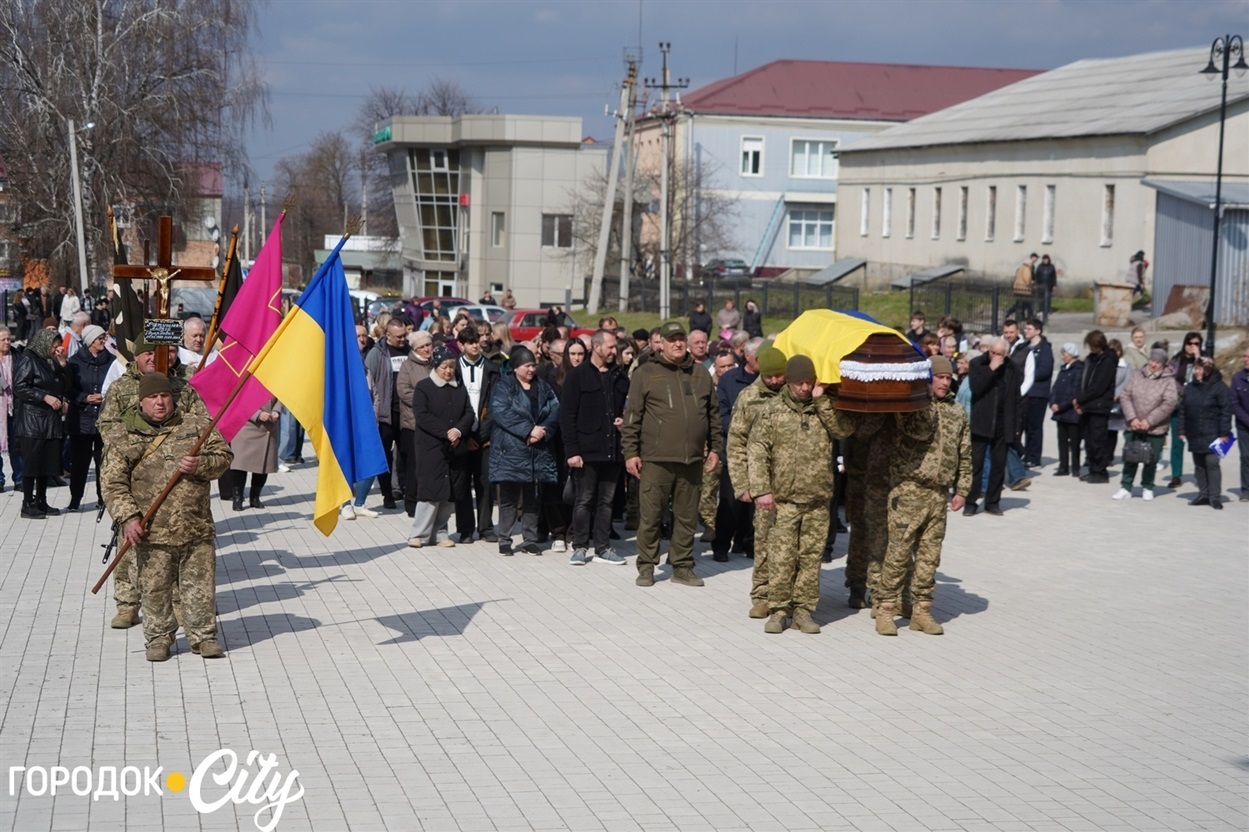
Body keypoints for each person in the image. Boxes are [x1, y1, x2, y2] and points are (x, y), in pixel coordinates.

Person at [99, 373, 233, 661]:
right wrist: (129, 518)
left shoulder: (195, 425)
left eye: (164, 396)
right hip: (151, 531)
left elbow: (223, 456)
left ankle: (203, 637)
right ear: (141, 401)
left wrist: (201, 464)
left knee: (200, 587)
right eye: (152, 397)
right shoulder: (124, 435)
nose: (160, 402)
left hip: (195, 526)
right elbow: (112, 482)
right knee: (155, 589)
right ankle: (158, 638)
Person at [96, 335, 211, 629]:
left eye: (168, 352)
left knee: (173, 549)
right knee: (130, 542)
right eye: (151, 354)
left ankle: (178, 605)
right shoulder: (123, 387)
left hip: (175, 480)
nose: (160, 358)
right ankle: (127, 603)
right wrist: (133, 445)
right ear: (138, 356)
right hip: (136, 475)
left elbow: (200, 423)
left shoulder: (182, 387)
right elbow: (107, 426)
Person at [747, 355, 858, 635]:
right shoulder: (772, 410)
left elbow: (844, 430)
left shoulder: (824, 408)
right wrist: (762, 489)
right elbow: (758, 451)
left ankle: (804, 610)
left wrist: (822, 402)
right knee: (782, 557)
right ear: (789, 381)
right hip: (783, 500)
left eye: (809, 382)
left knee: (811, 558)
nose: (805, 388)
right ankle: (778, 610)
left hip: (818, 499)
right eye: (799, 383)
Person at [875, 356, 971, 636]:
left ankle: (922, 610)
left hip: (938, 494)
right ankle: (886, 609)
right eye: (939, 377)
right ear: (927, 379)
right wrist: (920, 398)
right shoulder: (912, 408)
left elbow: (964, 452)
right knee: (898, 553)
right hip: (909, 490)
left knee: (930, 556)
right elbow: (913, 430)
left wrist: (962, 488)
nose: (945, 381)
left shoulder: (956, 411)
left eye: (948, 377)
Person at [622, 321, 721, 587]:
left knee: (687, 517)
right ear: (661, 343)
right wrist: (630, 452)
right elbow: (632, 417)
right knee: (651, 516)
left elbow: (713, 415)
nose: (677, 343)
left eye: (681, 339)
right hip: (656, 459)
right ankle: (646, 566)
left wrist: (715, 449)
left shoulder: (700, 374)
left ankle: (682, 566)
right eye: (671, 339)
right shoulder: (646, 373)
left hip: (692, 459)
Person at [561, 329, 630, 566]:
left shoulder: (620, 376)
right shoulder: (577, 376)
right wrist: (572, 451)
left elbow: (629, 408)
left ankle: (603, 547)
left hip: (613, 450)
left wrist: (625, 420)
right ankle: (580, 546)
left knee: (607, 501)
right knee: (584, 500)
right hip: (586, 451)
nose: (614, 351)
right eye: (610, 347)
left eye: (615, 347)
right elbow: (567, 416)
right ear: (597, 347)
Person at [725, 346, 785, 613]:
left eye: (779, 376)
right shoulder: (748, 397)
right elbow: (736, 442)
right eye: (770, 376)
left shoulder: (792, 393)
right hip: (762, 483)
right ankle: (761, 596)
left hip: (792, 483)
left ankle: (785, 595)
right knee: (763, 541)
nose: (774, 382)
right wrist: (742, 483)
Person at [489, 345, 560, 555]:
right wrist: (528, 430)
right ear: (516, 367)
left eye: (533, 365)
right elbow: (501, 413)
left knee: (532, 497)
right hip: (511, 450)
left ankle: (530, 538)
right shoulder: (504, 386)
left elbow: (555, 409)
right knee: (509, 498)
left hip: (537, 451)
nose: (531, 370)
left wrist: (543, 431)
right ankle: (505, 538)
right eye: (527, 366)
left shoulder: (543, 387)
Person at [408, 346, 474, 547]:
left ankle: (440, 532)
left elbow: (468, 413)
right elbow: (422, 416)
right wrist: (447, 432)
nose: (448, 371)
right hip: (431, 447)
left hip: (455, 448)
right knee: (430, 491)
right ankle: (419, 534)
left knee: (450, 493)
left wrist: (459, 431)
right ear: (436, 366)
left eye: (451, 367)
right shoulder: (424, 387)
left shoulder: (459, 388)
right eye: (444, 367)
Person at [12, 328, 69, 518]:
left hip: (50, 421)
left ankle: (42, 501)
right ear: (44, 343)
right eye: (54, 346)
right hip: (33, 421)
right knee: (32, 463)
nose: (56, 350)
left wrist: (61, 364)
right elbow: (19, 387)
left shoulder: (49, 361)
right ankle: (28, 503)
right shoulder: (29, 358)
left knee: (47, 463)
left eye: (58, 346)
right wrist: (43, 396)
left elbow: (63, 384)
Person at [454, 326, 501, 543]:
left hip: (485, 436)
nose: (475, 345)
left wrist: (481, 434)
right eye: (470, 342)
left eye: (477, 340)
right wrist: (465, 435)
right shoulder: (453, 368)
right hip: (461, 436)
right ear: (460, 345)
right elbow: (449, 404)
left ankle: (486, 527)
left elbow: (495, 403)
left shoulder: (492, 369)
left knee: (485, 482)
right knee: (462, 483)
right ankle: (465, 528)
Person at [965, 338, 1021, 516]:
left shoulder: (1012, 368)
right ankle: (971, 502)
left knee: (998, 465)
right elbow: (977, 388)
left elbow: (1017, 399)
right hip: (982, 421)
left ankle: (992, 502)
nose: (995, 357)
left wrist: (1016, 426)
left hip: (1003, 422)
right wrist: (991, 369)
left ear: (1006, 355)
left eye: (999, 354)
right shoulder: (977, 364)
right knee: (976, 465)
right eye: (992, 353)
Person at [1113, 348, 1178, 501]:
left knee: (1151, 459)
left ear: (1163, 364)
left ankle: (1147, 486)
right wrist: (1132, 418)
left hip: (1155, 427)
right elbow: (1125, 396)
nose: (1153, 364)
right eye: (1152, 360)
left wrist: (1149, 421)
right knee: (1130, 456)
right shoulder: (1137, 375)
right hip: (1134, 425)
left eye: (1158, 362)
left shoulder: (1168, 381)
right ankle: (1125, 486)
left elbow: (1169, 403)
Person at [65, 324, 114, 511]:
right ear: (89, 341)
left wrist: (106, 396)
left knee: (103, 462)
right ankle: (75, 498)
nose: (103, 341)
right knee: (79, 463)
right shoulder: (75, 362)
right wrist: (83, 398)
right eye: (99, 338)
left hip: (103, 419)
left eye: (104, 337)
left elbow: (115, 383)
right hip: (81, 421)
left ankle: (103, 498)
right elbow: (68, 388)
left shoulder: (110, 360)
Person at [364, 318, 410, 509]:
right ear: (388, 335)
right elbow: (367, 384)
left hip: (406, 414)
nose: (403, 339)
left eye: (404, 335)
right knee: (384, 456)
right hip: (384, 414)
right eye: (399, 337)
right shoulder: (376, 354)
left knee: (408, 455)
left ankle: (407, 491)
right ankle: (387, 494)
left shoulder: (410, 351)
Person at [1178, 356, 1231, 510]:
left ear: (1208, 370)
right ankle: (1203, 494)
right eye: (1196, 368)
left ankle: (1214, 496)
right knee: (1199, 464)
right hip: (1195, 432)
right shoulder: (1190, 387)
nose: (1197, 372)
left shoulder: (1220, 387)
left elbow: (1225, 411)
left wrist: (1224, 433)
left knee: (1212, 463)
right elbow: (1183, 410)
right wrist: (1181, 429)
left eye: (1200, 368)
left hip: (1213, 433)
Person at [394, 330, 434, 516]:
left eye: (428, 345)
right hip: (413, 424)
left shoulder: (436, 363)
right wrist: (426, 400)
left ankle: (430, 502)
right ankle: (411, 503)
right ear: (415, 348)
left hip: (434, 424)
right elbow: (403, 391)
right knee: (414, 466)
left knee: (430, 466)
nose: (427, 349)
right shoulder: (407, 366)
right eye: (422, 346)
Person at [1073, 330, 1118, 484]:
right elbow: (1085, 380)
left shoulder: (1108, 360)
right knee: (1089, 441)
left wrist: (1080, 400)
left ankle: (1100, 471)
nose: (1091, 350)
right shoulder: (1091, 359)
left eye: (1094, 347)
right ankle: (1093, 469)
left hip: (1099, 406)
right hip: (1088, 406)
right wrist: (1080, 400)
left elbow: (1099, 386)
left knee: (1098, 440)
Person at [226, 398, 282, 511]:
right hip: (247, 426)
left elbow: (281, 396)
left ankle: (255, 497)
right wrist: (257, 414)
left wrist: (277, 410)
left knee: (263, 465)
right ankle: (238, 498)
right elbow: (238, 400)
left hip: (268, 427)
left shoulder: (275, 380)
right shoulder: (245, 380)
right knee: (239, 465)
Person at [1165, 332, 1202, 489]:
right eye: (1190, 343)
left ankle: (1201, 473)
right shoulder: (1176, 360)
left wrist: (1198, 358)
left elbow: (1210, 377)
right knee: (1177, 441)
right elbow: (1168, 378)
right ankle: (1176, 475)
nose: (1192, 346)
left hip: (1198, 405)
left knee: (1199, 441)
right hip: (1179, 405)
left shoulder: (1204, 360)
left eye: (1196, 344)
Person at [1019, 318, 1054, 467]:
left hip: (1038, 394)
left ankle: (1034, 457)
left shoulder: (1045, 349)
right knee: (1024, 426)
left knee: (1035, 426)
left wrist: (1027, 374)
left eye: (1029, 329)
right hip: (1024, 393)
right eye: (1025, 329)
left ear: (1037, 331)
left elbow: (1045, 371)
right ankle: (1025, 453)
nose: (1026, 331)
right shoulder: (1023, 347)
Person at [1049, 343, 1084, 476]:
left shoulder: (1078, 370)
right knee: (1062, 440)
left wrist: (1062, 405)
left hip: (1072, 412)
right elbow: (1055, 388)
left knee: (1075, 442)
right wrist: (1052, 402)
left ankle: (1076, 467)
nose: (1063, 356)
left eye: (1064, 354)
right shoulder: (1063, 369)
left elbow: (1075, 392)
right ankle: (1063, 466)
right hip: (1060, 413)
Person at [0, 327, 19, 494]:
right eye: (3, 340)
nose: (7, 342)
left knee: (16, 444)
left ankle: (19, 478)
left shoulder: (17, 357)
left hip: (14, 407)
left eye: (8, 339)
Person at [1231, 346, 1249, 502]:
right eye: (1244, 356)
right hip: (1244, 426)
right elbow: (1234, 404)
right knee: (1245, 457)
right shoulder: (1238, 378)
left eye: (1248, 357)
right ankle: (1246, 490)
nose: (1245, 359)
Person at [1008, 254, 1037, 319]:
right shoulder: (1027, 269)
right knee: (1026, 303)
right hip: (1024, 289)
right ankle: (1026, 316)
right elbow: (1027, 280)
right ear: (1029, 263)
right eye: (1031, 263)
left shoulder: (1020, 268)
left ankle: (1019, 316)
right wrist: (1031, 282)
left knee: (1019, 304)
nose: (1032, 264)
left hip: (1017, 288)